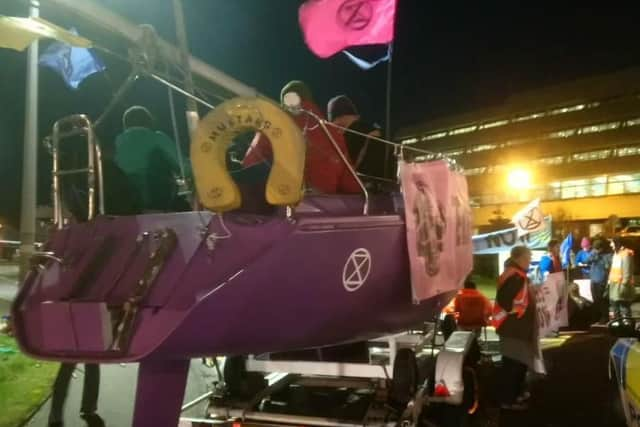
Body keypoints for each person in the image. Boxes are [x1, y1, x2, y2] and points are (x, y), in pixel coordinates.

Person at [243, 80, 360, 194]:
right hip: (325, 202)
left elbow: (250, 165)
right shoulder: (333, 132)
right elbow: (350, 182)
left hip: (285, 201)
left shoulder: (272, 126)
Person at [114, 105, 189, 212]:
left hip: (124, 204)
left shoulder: (116, 143)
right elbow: (183, 168)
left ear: (125, 125)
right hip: (155, 201)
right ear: (150, 122)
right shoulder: (157, 138)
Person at [493, 246, 537, 410]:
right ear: (518, 258)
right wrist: (517, 311)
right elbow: (505, 301)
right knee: (513, 366)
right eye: (527, 257)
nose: (530, 260)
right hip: (513, 329)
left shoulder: (515, 274)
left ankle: (515, 395)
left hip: (513, 328)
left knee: (516, 363)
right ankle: (508, 400)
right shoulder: (516, 277)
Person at [326, 95, 388, 186]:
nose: (336, 131)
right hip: (383, 191)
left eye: (335, 126)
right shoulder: (373, 131)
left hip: (358, 192)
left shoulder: (351, 136)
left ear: (338, 119)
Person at [608, 237, 635, 319]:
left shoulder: (626, 254)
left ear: (618, 243)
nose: (610, 245)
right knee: (615, 307)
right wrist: (609, 281)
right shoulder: (616, 253)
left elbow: (627, 271)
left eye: (612, 242)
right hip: (614, 284)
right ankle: (618, 325)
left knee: (624, 306)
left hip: (621, 285)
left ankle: (627, 326)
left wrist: (624, 284)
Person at [587, 239, 612, 324]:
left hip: (602, 280)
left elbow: (608, 266)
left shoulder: (607, 255)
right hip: (593, 280)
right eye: (595, 248)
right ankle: (597, 317)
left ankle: (605, 317)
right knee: (595, 300)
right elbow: (587, 260)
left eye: (598, 249)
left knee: (602, 300)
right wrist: (595, 253)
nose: (596, 250)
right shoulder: (594, 253)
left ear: (602, 248)